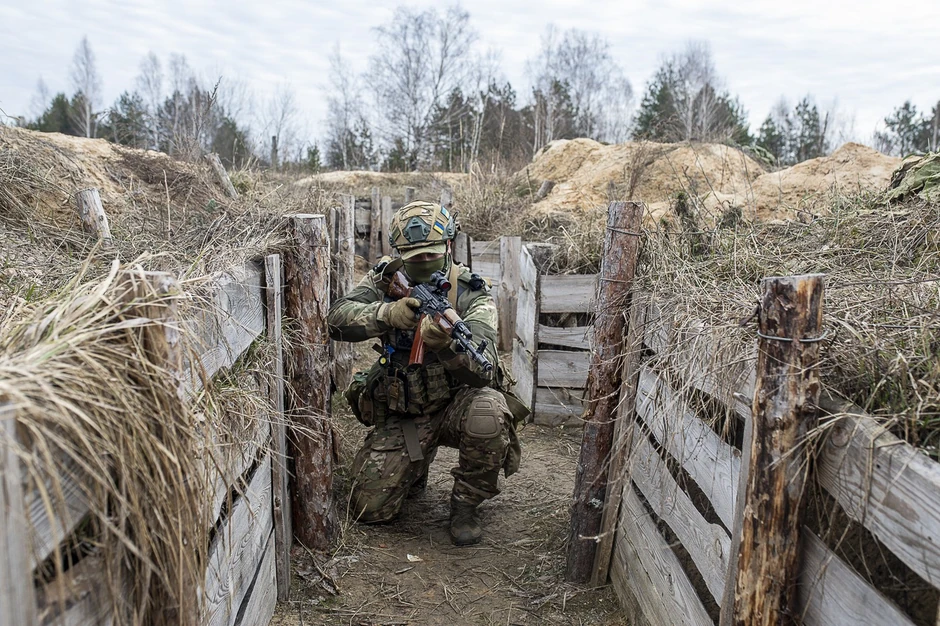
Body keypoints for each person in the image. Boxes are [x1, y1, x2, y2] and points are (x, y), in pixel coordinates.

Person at [327, 200, 526, 545]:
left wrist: (445, 345)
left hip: (457, 404)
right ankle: (415, 464)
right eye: (413, 256)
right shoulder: (386, 277)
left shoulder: (471, 292)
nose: (422, 262)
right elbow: (336, 319)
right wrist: (386, 314)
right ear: (399, 252)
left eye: (430, 255)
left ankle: (465, 504)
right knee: (368, 510)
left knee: (489, 411)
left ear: (448, 245)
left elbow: (483, 369)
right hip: (406, 410)